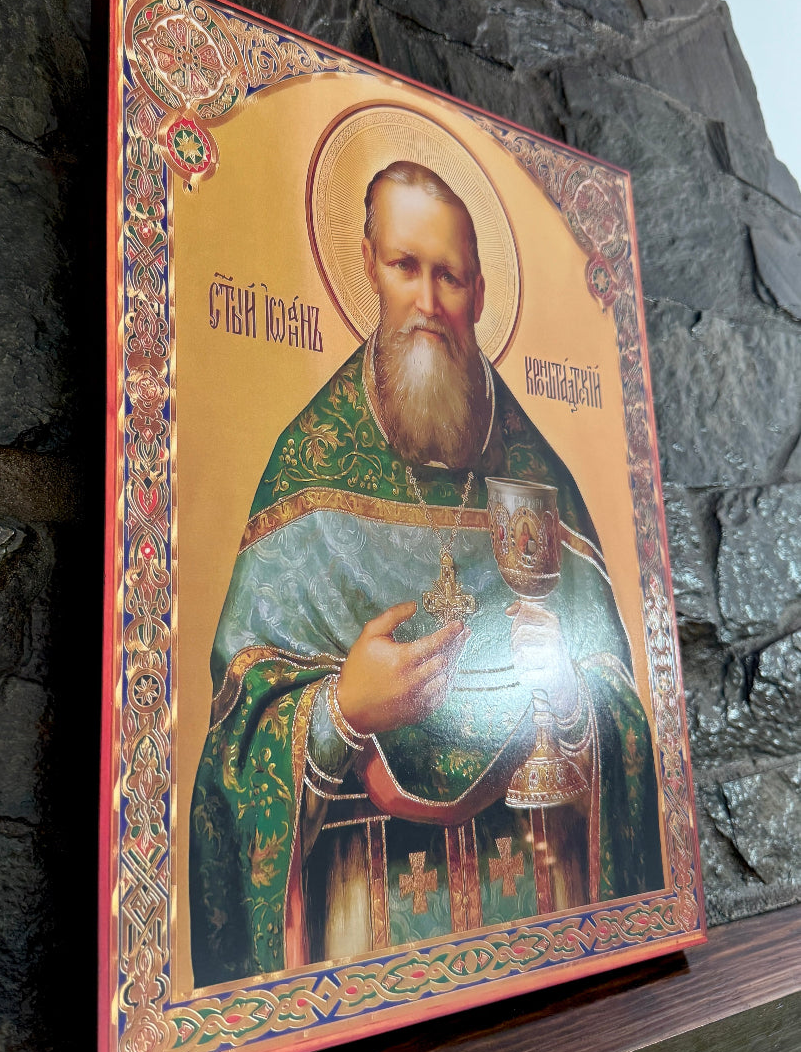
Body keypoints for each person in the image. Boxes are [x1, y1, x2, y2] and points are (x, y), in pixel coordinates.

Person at [188, 161, 663, 987]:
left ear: (478, 292)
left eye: (448, 275)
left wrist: (572, 700)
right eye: (406, 266)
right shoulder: (309, 466)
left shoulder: (536, 474)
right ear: (368, 267)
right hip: (356, 932)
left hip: (537, 915)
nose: (428, 299)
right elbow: (235, 727)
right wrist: (341, 709)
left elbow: (621, 699)